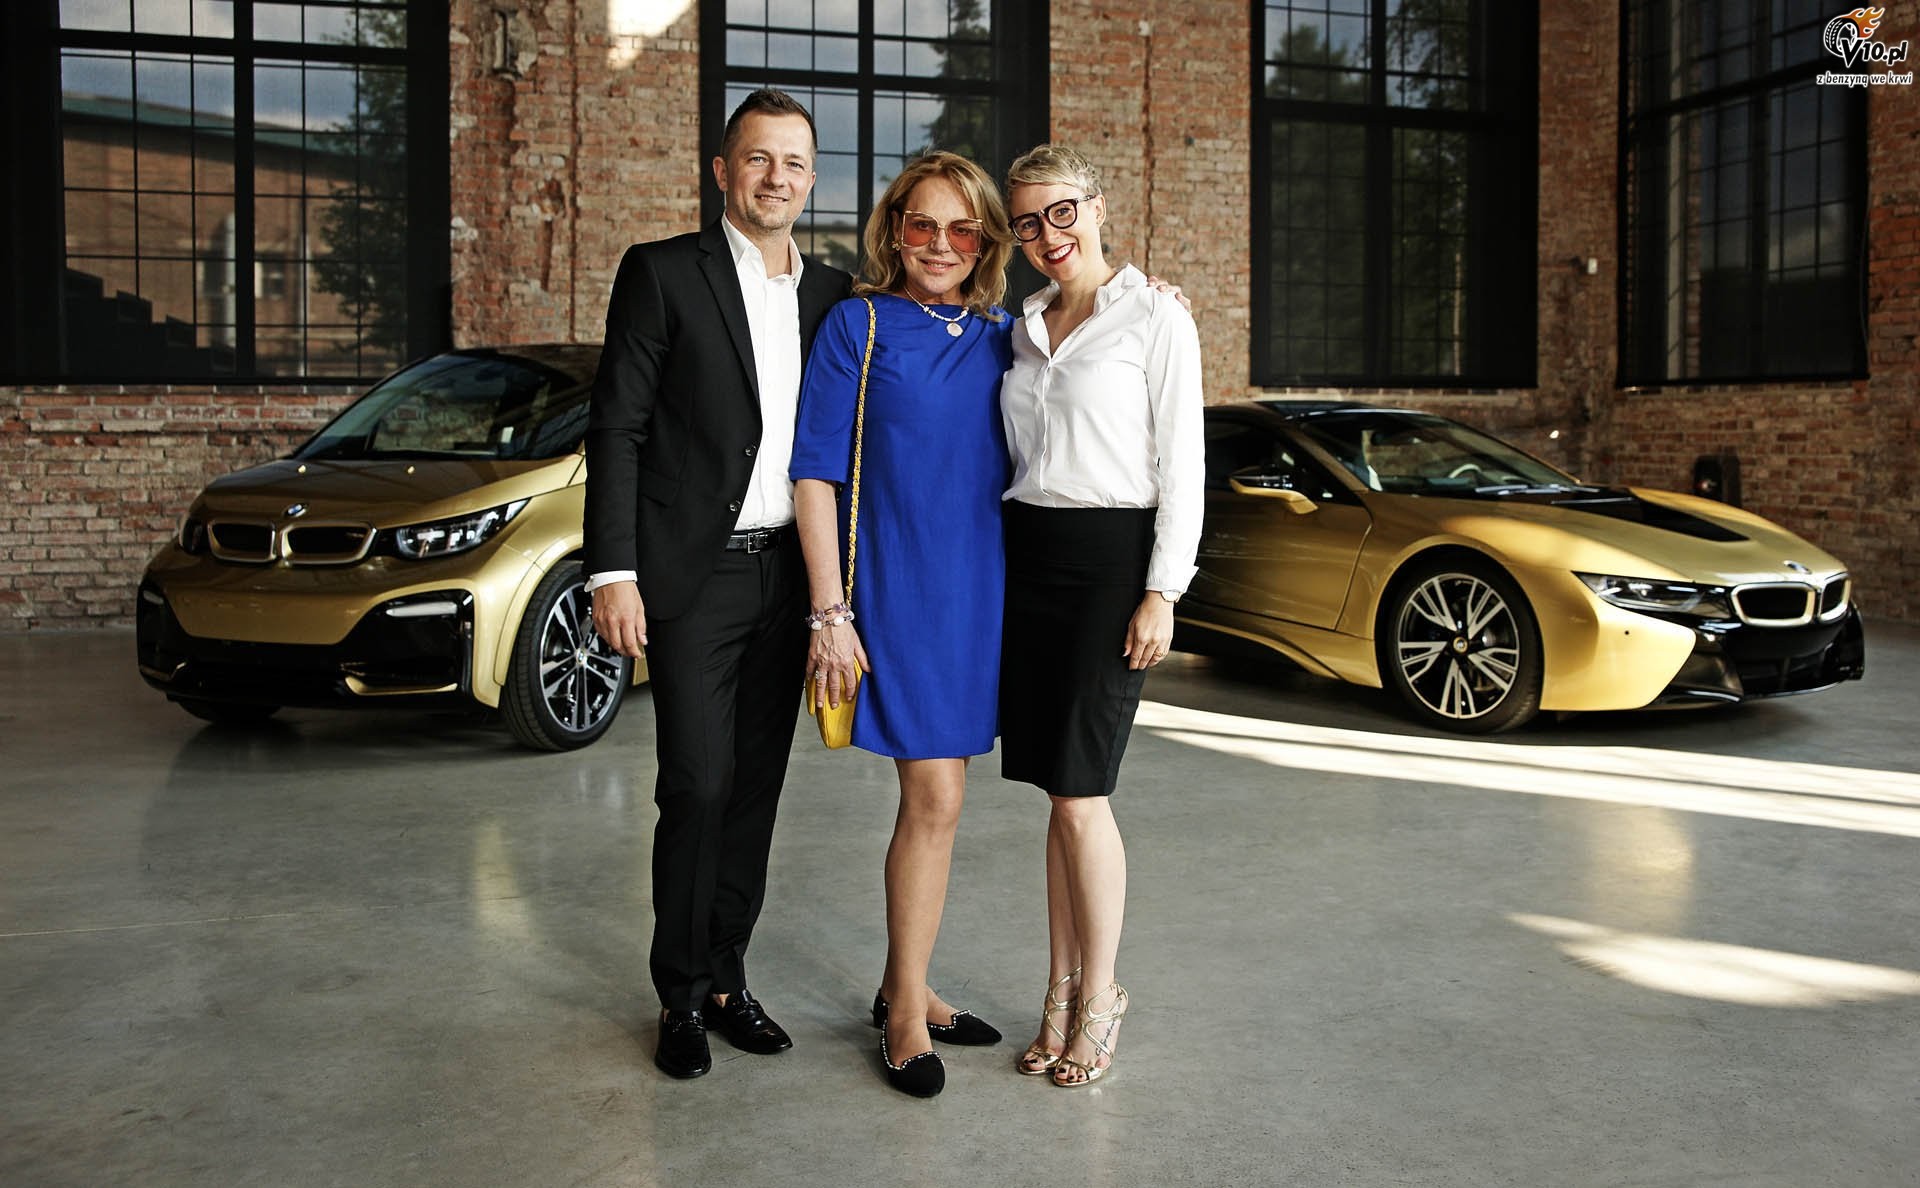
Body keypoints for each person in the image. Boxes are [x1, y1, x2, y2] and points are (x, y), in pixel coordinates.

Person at [584, 88, 853, 1081]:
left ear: (812, 178)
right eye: (758, 158)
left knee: (754, 789)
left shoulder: (836, 295)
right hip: (693, 576)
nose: (777, 177)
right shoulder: (662, 273)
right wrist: (613, 570)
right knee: (696, 784)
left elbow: (938, 318)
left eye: (794, 162)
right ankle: (680, 995)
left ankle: (731, 979)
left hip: (793, 576)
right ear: (722, 171)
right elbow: (618, 426)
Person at [789, 151, 1016, 1098]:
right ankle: (904, 1016)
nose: (941, 244)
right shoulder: (860, 324)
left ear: (988, 242)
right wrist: (829, 614)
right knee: (936, 798)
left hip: (984, 595)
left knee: (946, 797)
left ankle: (906, 984)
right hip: (900, 591)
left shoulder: (1008, 333)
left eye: (964, 229)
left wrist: (1144, 297)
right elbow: (813, 472)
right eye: (923, 224)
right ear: (894, 229)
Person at [998, 144, 1205, 1087]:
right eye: (1028, 221)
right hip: (1029, 560)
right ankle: (1058, 989)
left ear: (1098, 207)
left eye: (1063, 211)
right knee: (1059, 793)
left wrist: (1163, 590)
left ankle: (1103, 996)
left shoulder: (1157, 316)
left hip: (1110, 565)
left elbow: (1184, 466)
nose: (1048, 234)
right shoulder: (1023, 326)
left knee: (1084, 793)